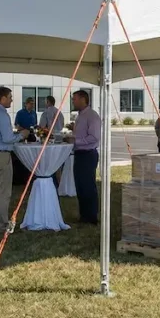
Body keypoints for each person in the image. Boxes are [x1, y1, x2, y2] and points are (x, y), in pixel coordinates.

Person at [0, 87, 29, 231]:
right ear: (3, 98)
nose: (11, 100)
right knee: (2, 192)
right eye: (10, 97)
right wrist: (22, 135)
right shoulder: (2, 114)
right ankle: (1, 224)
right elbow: (7, 138)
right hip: (1, 155)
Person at [66, 90, 101, 224]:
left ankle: (91, 217)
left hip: (88, 154)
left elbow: (94, 137)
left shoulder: (92, 116)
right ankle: (84, 215)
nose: (72, 101)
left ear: (83, 99)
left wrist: (75, 141)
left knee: (88, 186)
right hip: (79, 154)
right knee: (80, 186)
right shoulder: (80, 116)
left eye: (74, 99)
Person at [38, 95, 66, 186]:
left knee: (50, 161)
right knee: (58, 161)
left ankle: (53, 181)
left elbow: (42, 126)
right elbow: (62, 124)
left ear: (48, 102)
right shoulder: (59, 112)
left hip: (49, 138)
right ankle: (60, 181)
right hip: (59, 138)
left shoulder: (46, 112)